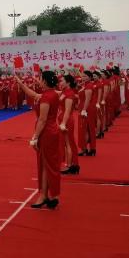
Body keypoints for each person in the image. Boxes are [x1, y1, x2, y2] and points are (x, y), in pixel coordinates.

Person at [17, 70, 61, 209]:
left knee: (45, 165)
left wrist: (35, 137)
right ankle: (50, 194)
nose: (39, 81)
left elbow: (42, 119)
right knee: (49, 164)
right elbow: (33, 95)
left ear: (45, 81)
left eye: (41, 79)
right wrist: (21, 84)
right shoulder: (53, 94)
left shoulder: (47, 97)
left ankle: (45, 195)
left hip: (46, 133)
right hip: (52, 130)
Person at [58, 74, 79, 175]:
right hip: (63, 119)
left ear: (68, 82)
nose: (60, 83)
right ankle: (71, 164)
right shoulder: (64, 92)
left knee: (68, 143)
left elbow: (67, 110)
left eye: (62, 81)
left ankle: (70, 166)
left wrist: (63, 123)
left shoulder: (69, 94)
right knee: (66, 143)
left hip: (67, 121)